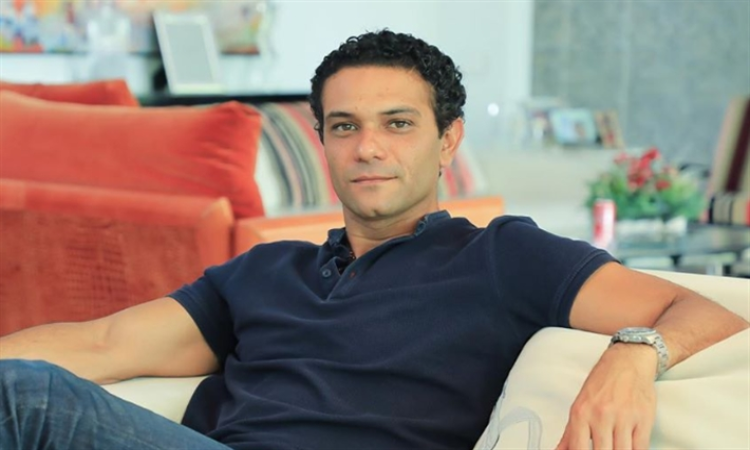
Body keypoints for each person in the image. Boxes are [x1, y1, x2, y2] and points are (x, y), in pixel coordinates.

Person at [0, 30, 747, 450]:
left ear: (447, 140)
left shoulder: (501, 256)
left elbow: (708, 311)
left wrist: (631, 356)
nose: (368, 148)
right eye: (344, 126)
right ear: (323, 141)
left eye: (398, 124)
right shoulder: (264, 272)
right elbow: (104, 344)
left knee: (29, 399)